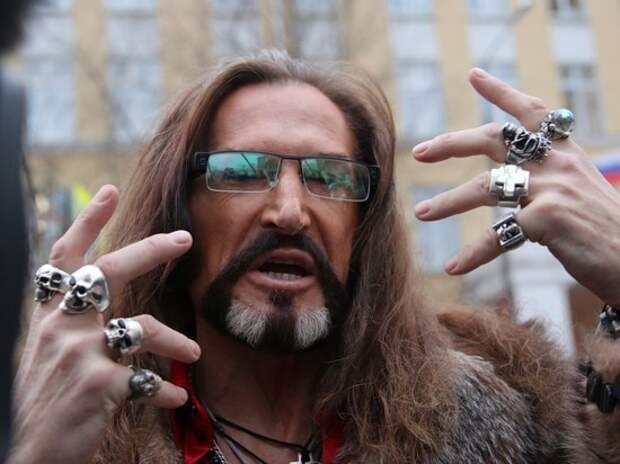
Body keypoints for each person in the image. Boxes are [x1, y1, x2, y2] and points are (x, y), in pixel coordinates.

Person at [8, 50, 620, 463]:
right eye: (242, 171)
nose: (290, 211)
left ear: (363, 228)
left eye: (330, 177)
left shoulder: (513, 424)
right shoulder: (77, 429)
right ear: (178, 209)